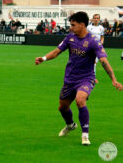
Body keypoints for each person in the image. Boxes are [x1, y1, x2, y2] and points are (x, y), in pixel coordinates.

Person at [35, 11, 123, 146]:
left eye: (73, 25)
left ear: (82, 25)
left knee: (80, 100)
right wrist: (44, 58)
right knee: (62, 108)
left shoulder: (93, 41)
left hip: (86, 78)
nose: (70, 27)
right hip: (70, 78)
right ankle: (70, 125)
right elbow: (56, 51)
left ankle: (85, 135)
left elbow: (104, 61)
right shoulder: (70, 37)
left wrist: (113, 79)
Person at [87, 14, 105, 83]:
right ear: (92, 19)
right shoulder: (88, 27)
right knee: (91, 62)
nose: (96, 19)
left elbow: (102, 37)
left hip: (97, 47)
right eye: (95, 18)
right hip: (90, 47)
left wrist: (101, 43)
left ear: (99, 19)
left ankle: (92, 77)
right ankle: (92, 77)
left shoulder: (101, 28)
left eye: (97, 18)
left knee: (94, 62)